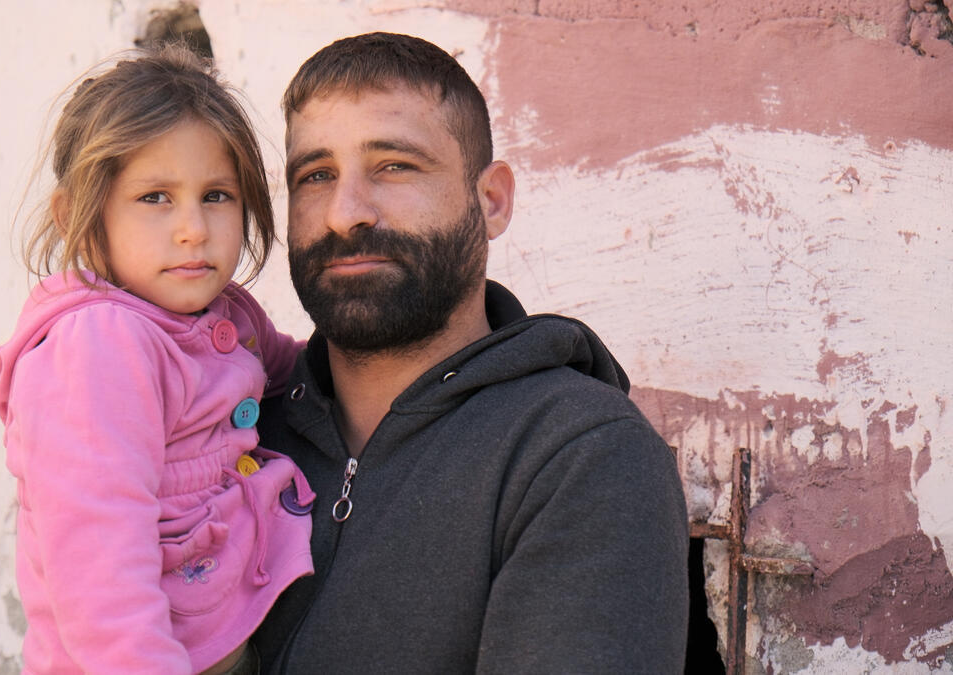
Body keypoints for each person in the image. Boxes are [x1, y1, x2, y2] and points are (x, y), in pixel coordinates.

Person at [253, 32, 689, 673]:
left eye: (394, 165)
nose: (346, 213)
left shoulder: (580, 454)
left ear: (492, 200)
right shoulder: (230, 434)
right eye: (315, 176)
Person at [0, 45, 314, 674]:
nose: (192, 228)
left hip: (221, 635)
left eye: (217, 195)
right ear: (81, 217)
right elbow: (98, 567)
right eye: (155, 197)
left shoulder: (225, 314)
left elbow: (299, 375)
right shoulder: (96, 345)